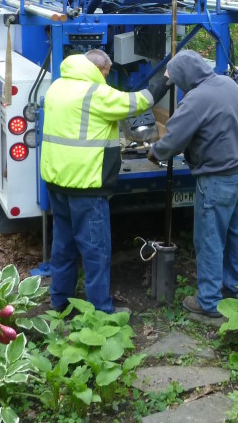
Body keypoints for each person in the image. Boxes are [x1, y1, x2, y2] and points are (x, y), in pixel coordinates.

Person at [41, 49, 168, 313]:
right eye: (107, 75)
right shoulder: (94, 93)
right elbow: (140, 102)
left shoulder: (57, 86)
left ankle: (59, 303)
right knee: (95, 252)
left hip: (57, 181)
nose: (107, 80)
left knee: (63, 247)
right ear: (98, 70)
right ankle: (100, 311)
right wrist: (166, 78)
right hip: (86, 186)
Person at [147, 50, 238, 319]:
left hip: (218, 179)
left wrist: (155, 151)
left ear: (185, 76)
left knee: (210, 239)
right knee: (237, 232)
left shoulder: (196, 99)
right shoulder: (228, 84)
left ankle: (209, 301)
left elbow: (173, 140)